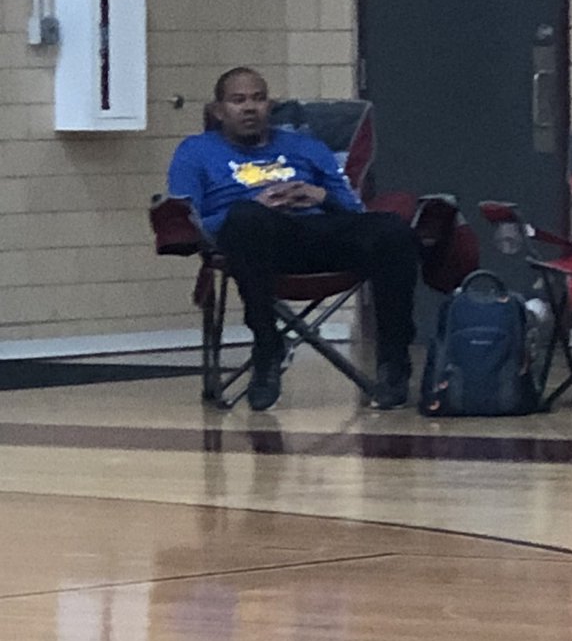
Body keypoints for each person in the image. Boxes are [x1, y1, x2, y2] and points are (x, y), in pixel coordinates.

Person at [167, 67, 417, 412]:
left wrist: (320, 196)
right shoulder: (194, 151)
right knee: (246, 219)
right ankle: (267, 348)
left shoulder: (307, 146)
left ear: (271, 106)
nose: (250, 107)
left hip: (317, 234)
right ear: (218, 110)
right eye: (238, 100)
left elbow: (354, 209)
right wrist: (252, 205)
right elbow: (189, 223)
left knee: (392, 230)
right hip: (254, 244)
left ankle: (393, 363)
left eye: (258, 98)